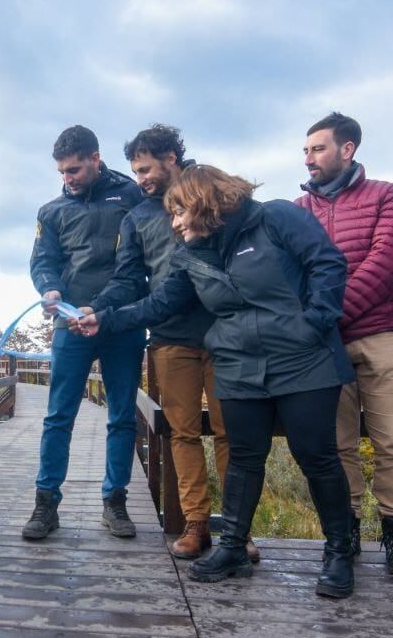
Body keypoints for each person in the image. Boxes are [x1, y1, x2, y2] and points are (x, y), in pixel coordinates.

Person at [78, 165, 358, 598]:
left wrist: (315, 321)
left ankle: (339, 551)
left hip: (302, 360)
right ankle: (231, 546)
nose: (173, 223)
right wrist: (105, 318)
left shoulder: (276, 217)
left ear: (204, 202)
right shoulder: (191, 256)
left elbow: (327, 263)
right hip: (239, 363)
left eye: (178, 212)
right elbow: (160, 302)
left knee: (315, 456)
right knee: (245, 457)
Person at [79, 125, 255, 562]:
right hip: (170, 339)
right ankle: (196, 524)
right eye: (135, 171)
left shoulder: (213, 192)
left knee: (232, 433)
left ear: (171, 157)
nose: (139, 179)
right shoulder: (137, 217)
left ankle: (238, 530)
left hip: (226, 335)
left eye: (145, 169)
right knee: (182, 433)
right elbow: (126, 280)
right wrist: (97, 309)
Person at [296, 112, 393, 577]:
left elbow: (384, 263)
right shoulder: (298, 210)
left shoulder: (385, 196)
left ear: (347, 149)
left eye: (318, 149)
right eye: (306, 150)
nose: (308, 158)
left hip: (381, 335)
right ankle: (344, 531)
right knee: (338, 444)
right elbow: (292, 275)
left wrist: (326, 315)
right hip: (325, 345)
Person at [24, 126, 146, 540]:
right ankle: (45, 504)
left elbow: (140, 260)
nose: (67, 179)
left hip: (122, 320)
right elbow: (43, 260)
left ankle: (115, 503)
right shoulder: (51, 211)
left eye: (74, 169)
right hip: (70, 323)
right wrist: (48, 287)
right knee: (59, 415)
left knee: (122, 415)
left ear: (95, 157)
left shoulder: (132, 195)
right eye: (61, 172)